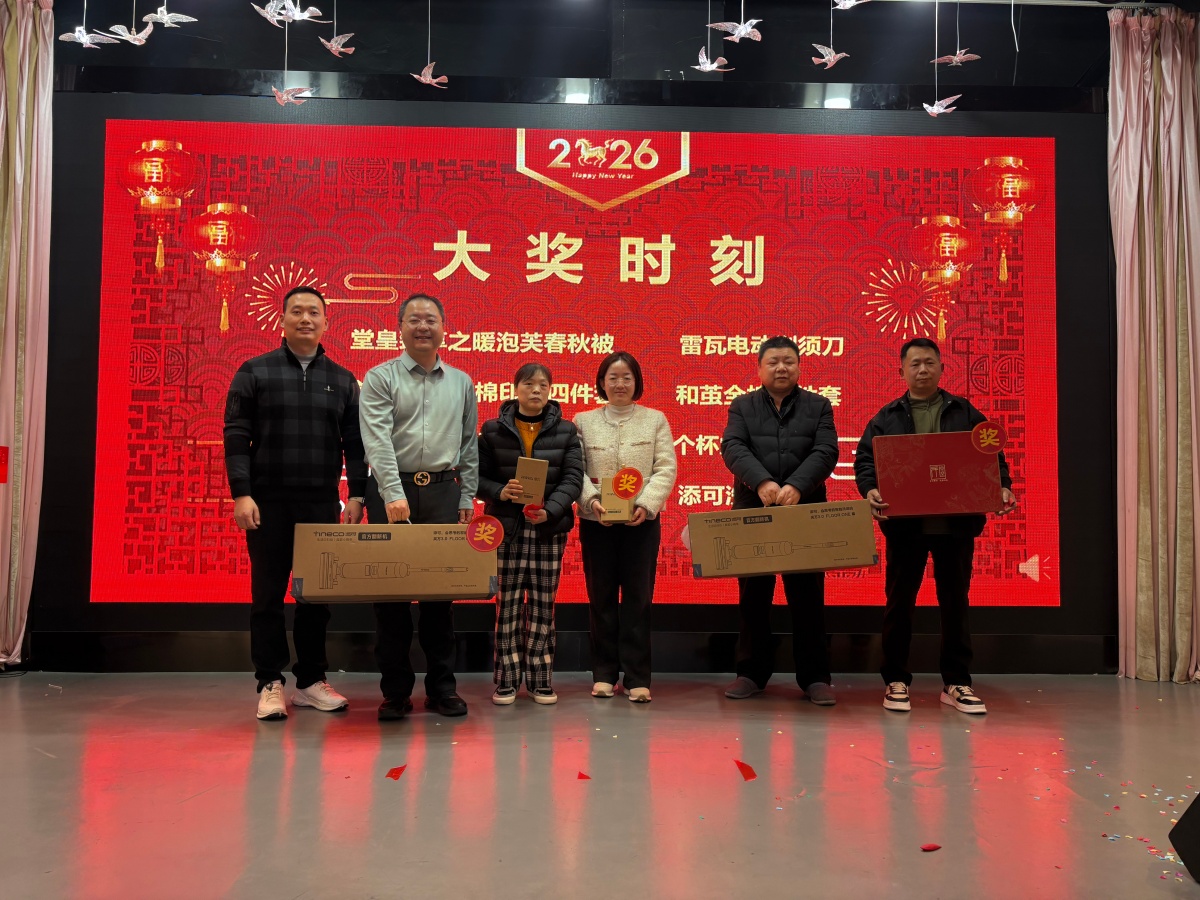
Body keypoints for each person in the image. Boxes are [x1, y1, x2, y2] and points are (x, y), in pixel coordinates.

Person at [224, 285, 367, 721]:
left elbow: (355, 443)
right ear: (282, 320)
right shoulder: (254, 371)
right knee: (267, 595)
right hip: (267, 502)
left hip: (320, 503)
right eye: (297, 312)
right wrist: (241, 492)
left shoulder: (342, 379)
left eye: (314, 312)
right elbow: (236, 435)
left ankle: (309, 682)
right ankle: (269, 681)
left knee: (316, 597)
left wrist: (356, 494)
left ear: (326, 322)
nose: (306, 319)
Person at [854, 337, 1016, 715]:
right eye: (915, 364)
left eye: (929, 362)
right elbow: (865, 461)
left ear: (942, 368)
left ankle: (956, 682)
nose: (923, 370)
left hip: (955, 528)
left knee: (955, 604)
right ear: (901, 371)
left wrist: (1002, 487)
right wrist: (870, 488)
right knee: (899, 605)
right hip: (905, 528)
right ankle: (896, 679)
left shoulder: (965, 412)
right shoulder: (886, 417)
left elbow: (992, 457)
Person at [359, 292, 479, 721]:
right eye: (414, 319)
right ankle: (395, 692)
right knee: (390, 598)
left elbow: (469, 443)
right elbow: (376, 439)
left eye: (431, 319)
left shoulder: (462, 382)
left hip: (444, 492)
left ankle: (442, 688)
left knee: (439, 598)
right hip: (392, 492)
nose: (423, 326)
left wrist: (466, 495)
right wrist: (392, 493)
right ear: (400, 328)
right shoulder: (380, 377)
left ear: (444, 328)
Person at [720, 336, 839, 706]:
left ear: (799, 366)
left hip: (805, 510)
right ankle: (750, 673)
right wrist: (762, 482)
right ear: (759, 368)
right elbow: (733, 447)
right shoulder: (742, 405)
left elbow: (826, 450)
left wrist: (798, 486)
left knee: (808, 595)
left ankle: (815, 677)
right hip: (754, 509)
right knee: (753, 594)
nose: (781, 368)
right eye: (773, 362)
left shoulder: (819, 405)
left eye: (788, 361)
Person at [477, 364, 584, 706]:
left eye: (542, 385)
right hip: (506, 529)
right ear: (516, 388)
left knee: (542, 606)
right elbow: (476, 477)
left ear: (550, 390)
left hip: (547, 529)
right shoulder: (492, 430)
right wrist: (500, 491)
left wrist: (550, 510)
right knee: (506, 605)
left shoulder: (566, 431)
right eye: (528, 384)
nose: (536, 390)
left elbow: (573, 479)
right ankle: (506, 681)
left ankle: (540, 680)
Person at [575, 351, 677, 702]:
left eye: (627, 377)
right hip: (597, 522)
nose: (620, 384)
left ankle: (637, 678)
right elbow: (575, 469)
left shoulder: (655, 420)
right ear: (601, 383)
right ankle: (603, 674)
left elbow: (665, 467)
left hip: (641, 524)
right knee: (600, 597)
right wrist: (591, 502)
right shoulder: (583, 421)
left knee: (638, 598)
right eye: (613, 377)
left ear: (637, 382)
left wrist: (647, 505)